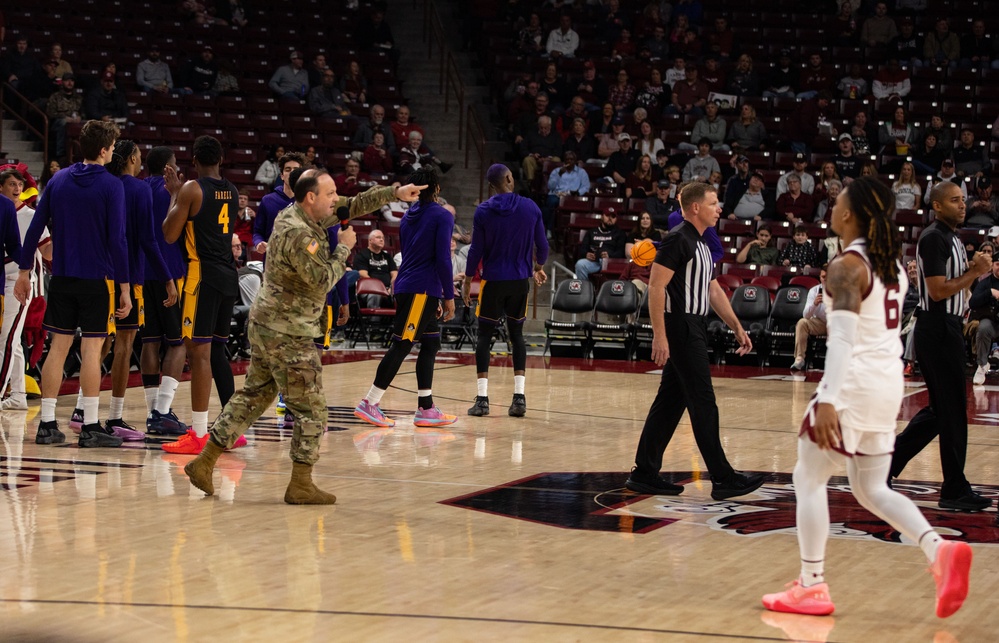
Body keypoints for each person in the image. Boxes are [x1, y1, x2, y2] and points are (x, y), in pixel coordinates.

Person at [761, 175, 973, 621]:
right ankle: (938, 550)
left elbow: (841, 341)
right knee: (870, 487)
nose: (831, 206)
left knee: (808, 478)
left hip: (853, 383)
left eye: (837, 201)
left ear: (850, 213)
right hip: (886, 384)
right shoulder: (889, 263)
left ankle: (811, 584)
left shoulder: (846, 266)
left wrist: (828, 400)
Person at [183, 170, 421, 503]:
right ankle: (300, 483)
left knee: (252, 397)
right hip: (287, 332)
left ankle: (205, 462)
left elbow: (350, 206)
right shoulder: (298, 232)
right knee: (312, 410)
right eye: (330, 193)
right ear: (311, 197)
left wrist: (396, 192)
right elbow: (321, 279)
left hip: (270, 325)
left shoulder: (298, 216)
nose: (336, 198)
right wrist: (344, 250)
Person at [626, 182, 765, 499]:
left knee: (670, 402)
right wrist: (660, 335)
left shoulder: (702, 244)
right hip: (681, 327)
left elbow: (713, 290)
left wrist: (736, 326)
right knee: (703, 402)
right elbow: (657, 287)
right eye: (714, 203)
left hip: (695, 325)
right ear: (695, 208)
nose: (719, 208)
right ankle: (723, 477)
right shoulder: (677, 239)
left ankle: (645, 472)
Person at [14, 120, 126, 448]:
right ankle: (90, 425)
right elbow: (117, 240)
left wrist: (24, 271)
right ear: (104, 150)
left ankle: (47, 424)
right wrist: (123, 288)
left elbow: (36, 227)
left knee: (58, 348)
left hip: (60, 277)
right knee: (91, 350)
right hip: (95, 280)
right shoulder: (111, 185)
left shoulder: (59, 179)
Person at [889, 181, 993, 511]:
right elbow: (936, 291)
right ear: (936, 206)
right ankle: (953, 489)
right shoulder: (934, 237)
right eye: (954, 200)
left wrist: (973, 271)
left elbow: (954, 286)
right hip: (935, 327)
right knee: (952, 412)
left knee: (940, 412)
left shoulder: (953, 238)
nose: (962, 205)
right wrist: (975, 272)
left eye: (963, 200)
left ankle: (886, 465)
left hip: (946, 327)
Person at [354, 168, 457, 429]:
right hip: (421, 289)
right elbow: (444, 258)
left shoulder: (408, 215)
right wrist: (448, 295)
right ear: (435, 189)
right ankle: (370, 402)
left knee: (431, 343)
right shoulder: (442, 215)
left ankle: (426, 407)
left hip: (411, 284)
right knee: (402, 344)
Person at [159, 136, 241, 454]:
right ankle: (229, 428)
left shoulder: (192, 188)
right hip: (227, 277)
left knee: (199, 355)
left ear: (194, 160)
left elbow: (169, 233)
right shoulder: (232, 190)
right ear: (221, 159)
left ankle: (198, 433)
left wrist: (174, 194)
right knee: (215, 353)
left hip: (201, 276)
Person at [463, 165, 548, 418]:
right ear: (510, 179)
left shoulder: (483, 211)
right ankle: (519, 398)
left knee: (484, 337)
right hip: (520, 280)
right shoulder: (530, 207)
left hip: (493, 282)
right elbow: (542, 246)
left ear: (491, 186)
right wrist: (538, 267)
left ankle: (482, 400)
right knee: (517, 335)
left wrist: (468, 281)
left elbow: (475, 250)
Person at [102, 140, 174, 440]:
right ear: (132, 159)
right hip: (129, 275)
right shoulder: (139, 188)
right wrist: (167, 277)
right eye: (138, 157)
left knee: (97, 343)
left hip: (98, 274)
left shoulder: (103, 183)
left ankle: (82, 408)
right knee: (123, 345)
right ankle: (116, 416)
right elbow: (148, 239)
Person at [140, 146, 190, 437]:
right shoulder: (172, 191)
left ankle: (151, 410)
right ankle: (161, 411)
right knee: (177, 342)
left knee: (150, 341)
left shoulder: (139, 188)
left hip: (141, 273)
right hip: (169, 270)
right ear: (168, 169)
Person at [0, 169, 51, 411]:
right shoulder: (4, 210)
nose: (17, 188)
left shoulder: (32, 215)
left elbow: (48, 250)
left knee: (6, 340)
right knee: (13, 341)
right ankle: (19, 394)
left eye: (19, 184)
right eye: (11, 184)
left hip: (20, 284)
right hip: (5, 282)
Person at [253, 152, 304, 256]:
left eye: (296, 170)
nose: (292, 173)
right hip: (273, 262)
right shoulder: (268, 200)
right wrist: (258, 243)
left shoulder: (308, 201)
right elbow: (257, 232)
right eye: (288, 169)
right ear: (281, 175)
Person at [969, 257, 999, 385]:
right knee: (983, 328)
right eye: (998, 264)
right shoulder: (985, 283)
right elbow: (972, 303)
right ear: (992, 265)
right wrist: (990, 293)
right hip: (991, 321)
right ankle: (982, 365)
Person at [790, 268, 827, 371]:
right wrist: (815, 304)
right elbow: (806, 315)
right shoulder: (814, 291)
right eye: (823, 277)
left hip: (835, 323)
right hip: (819, 322)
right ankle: (799, 359)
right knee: (802, 323)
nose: (826, 280)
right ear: (820, 277)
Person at [574, 209, 626, 282]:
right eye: (607, 215)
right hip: (594, 262)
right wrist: (586, 254)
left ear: (616, 219)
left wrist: (609, 256)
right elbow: (582, 249)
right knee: (580, 264)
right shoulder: (591, 232)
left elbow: (621, 252)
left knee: (604, 261)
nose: (610, 218)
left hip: (610, 263)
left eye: (613, 217)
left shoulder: (620, 234)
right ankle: (584, 289)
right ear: (602, 217)